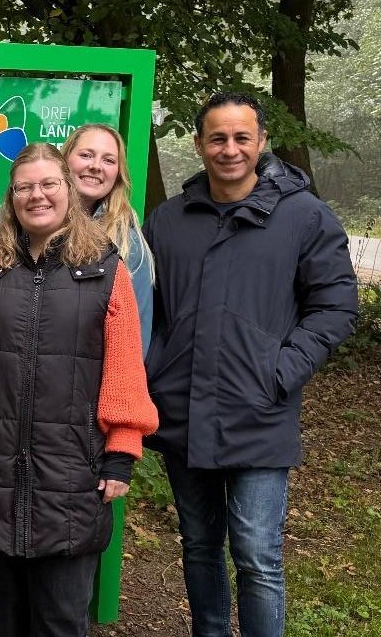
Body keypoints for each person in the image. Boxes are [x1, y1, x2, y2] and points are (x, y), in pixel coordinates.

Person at [143, 91, 357, 637]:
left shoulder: (304, 216)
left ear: (261, 142)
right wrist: (158, 372)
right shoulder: (168, 221)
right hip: (183, 410)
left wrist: (280, 372)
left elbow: (334, 307)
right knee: (198, 545)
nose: (230, 149)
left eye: (242, 138)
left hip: (260, 411)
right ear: (198, 144)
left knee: (258, 554)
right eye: (218, 138)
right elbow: (146, 311)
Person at [0, 142, 158, 637]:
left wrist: (123, 447)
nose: (37, 196)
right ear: (11, 198)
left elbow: (124, 369)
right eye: (24, 187)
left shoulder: (104, 268)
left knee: (61, 618)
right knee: (2, 614)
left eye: (49, 184)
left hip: (74, 470)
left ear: (68, 190)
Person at [62, 124, 155, 355]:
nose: (95, 166)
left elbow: (135, 343)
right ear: (64, 161)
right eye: (86, 155)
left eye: (109, 160)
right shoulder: (20, 217)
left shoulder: (128, 244)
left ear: (118, 174)